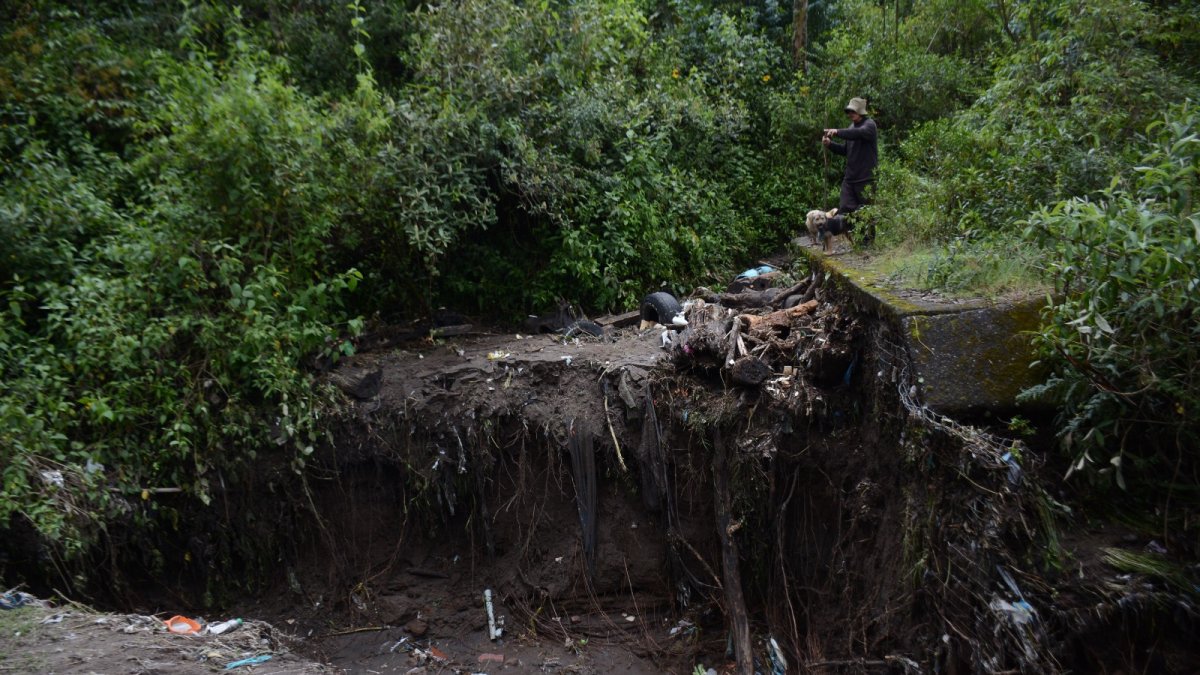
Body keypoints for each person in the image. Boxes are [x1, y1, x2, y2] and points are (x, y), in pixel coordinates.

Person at [823, 97, 878, 240]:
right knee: (845, 209)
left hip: (866, 178)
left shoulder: (869, 125)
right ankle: (854, 238)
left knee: (866, 213)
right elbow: (845, 151)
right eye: (848, 111)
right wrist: (830, 144)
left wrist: (837, 132)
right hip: (850, 178)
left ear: (860, 111)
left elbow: (858, 134)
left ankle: (868, 243)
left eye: (852, 111)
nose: (850, 114)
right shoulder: (850, 127)